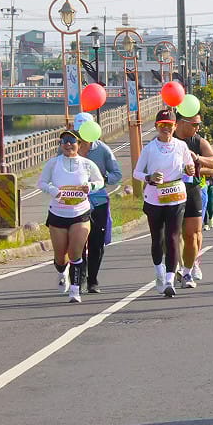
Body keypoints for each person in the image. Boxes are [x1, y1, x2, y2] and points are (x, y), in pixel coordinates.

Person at [133, 109, 195, 297]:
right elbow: (136, 173)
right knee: (157, 238)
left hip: (176, 196)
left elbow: (188, 168)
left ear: (175, 126)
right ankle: (159, 271)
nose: (166, 129)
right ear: (156, 126)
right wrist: (149, 177)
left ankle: (169, 279)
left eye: (169, 125)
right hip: (154, 197)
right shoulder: (150, 148)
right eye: (162, 125)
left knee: (173, 236)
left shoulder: (181, 146)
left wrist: (190, 170)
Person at [37, 129, 104, 303]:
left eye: (72, 141)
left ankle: (75, 290)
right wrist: (52, 190)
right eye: (64, 141)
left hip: (80, 213)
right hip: (58, 214)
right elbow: (41, 183)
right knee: (61, 257)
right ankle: (62, 272)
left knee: (75, 253)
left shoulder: (87, 164)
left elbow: (100, 181)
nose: (68, 144)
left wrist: (90, 186)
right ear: (60, 145)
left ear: (79, 144)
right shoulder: (53, 163)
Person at [74, 113, 122, 293]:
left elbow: (117, 174)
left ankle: (92, 279)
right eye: (78, 131)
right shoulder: (68, 147)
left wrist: (103, 178)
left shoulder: (102, 149)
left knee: (96, 242)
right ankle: (79, 278)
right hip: (74, 202)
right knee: (78, 242)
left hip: (98, 201)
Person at [173, 111, 213, 287]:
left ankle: (189, 268)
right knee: (173, 234)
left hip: (193, 190)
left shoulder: (198, 141)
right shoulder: (166, 140)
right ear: (181, 122)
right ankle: (176, 268)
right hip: (170, 193)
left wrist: (198, 160)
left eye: (199, 124)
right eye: (194, 124)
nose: (198, 128)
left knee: (193, 234)